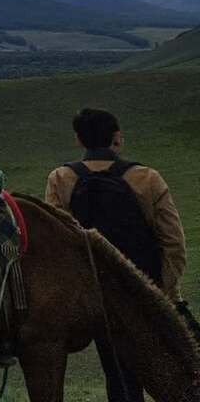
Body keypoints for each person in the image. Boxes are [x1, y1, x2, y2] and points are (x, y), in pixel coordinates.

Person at [45, 107, 187, 402]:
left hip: (95, 294)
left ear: (79, 140)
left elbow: (57, 246)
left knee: (117, 372)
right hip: (143, 291)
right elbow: (173, 242)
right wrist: (166, 293)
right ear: (117, 137)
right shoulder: (147, 178)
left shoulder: (61, 178)